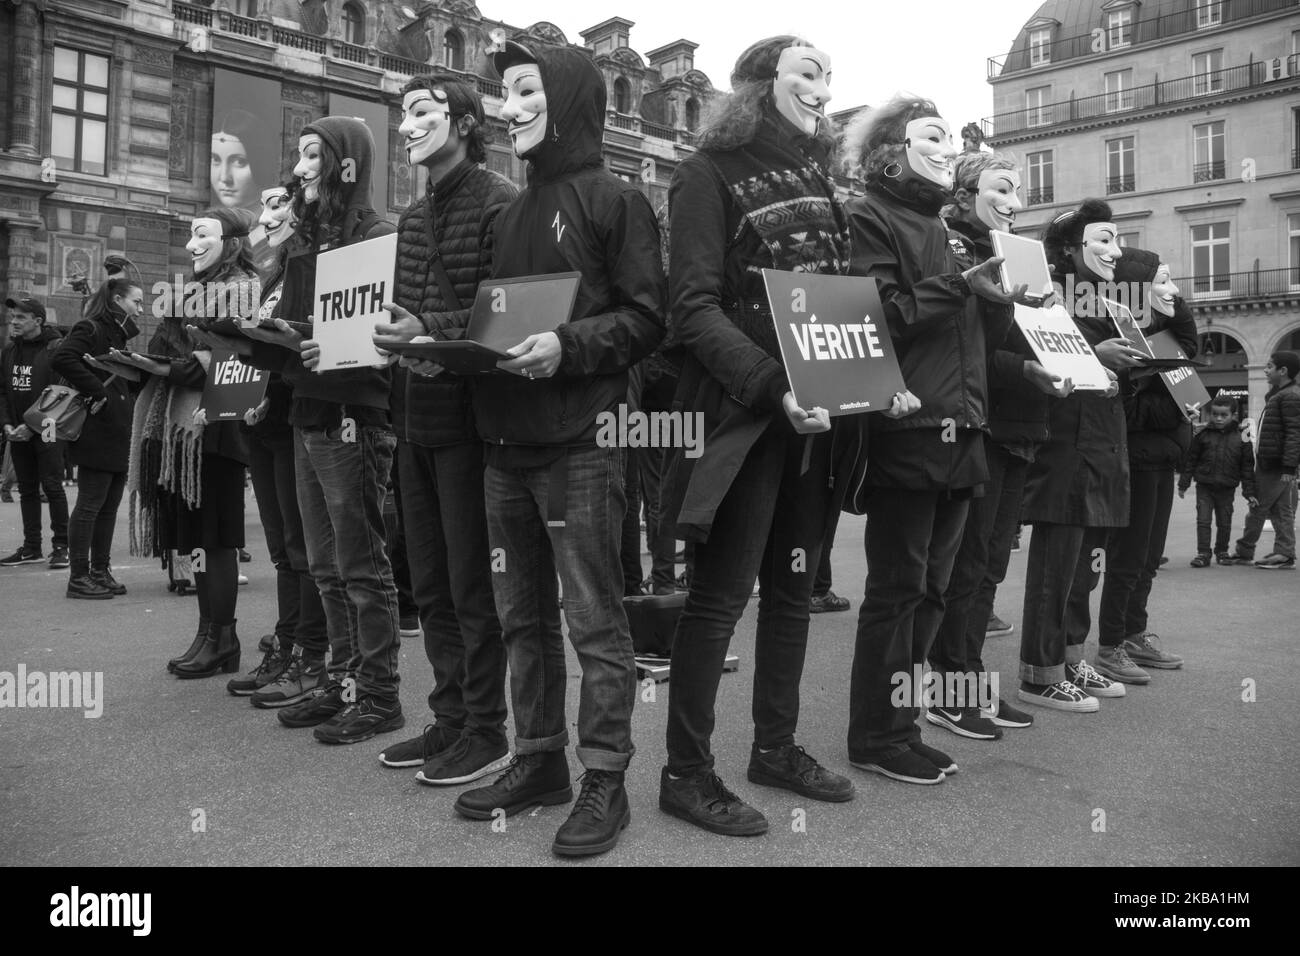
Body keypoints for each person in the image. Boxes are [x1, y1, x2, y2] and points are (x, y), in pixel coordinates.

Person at [437, 39, 664, 857]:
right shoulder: (511, 209)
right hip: (504, 442)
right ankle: (538, 761)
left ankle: (605, 776)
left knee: (594, 621)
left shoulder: (619, 200)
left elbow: (647, 320)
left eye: (526, 91)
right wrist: (426, 338)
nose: (508, 108)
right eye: (504, 95)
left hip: (582, 446)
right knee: (521, 619)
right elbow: (491, 323)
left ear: (566, 99)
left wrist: (567, 346)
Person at [658, 36, 871, 833]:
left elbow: (838, 302)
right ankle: (686, 773)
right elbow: (693, 307)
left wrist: (866, 374)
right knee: (718, 600)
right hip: (744, 414)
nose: (823, 88)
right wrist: (773, 385)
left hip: (814, 421)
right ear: (758, 86)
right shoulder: (704, 172)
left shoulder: (821, 178)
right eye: (808, 73)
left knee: (791, 592)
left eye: (828, 76)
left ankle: (774, 748)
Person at [841, 95, 1023, 784]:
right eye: (932, 135)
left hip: (965, 428)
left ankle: (903, 724)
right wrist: (958, 285)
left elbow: (976, 340)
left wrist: (1002, 304)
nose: (948, 145)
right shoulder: (870, 216)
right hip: (909, 427)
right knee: (898, 589)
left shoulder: (947, 229)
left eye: (950, 136)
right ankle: (876, 736)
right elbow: (878, 316)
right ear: (891, 150)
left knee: (937, 590)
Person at [369, 72, 518, 785]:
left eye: (421, 113)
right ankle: (450, 719)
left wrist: (426, 327)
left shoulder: (501, 202)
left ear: (462, 122)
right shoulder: (410, 217)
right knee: (427, 585)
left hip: (469, 424)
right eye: (402, 114)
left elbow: (507, 317)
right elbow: (396, 317)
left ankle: (487, 730)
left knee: (470, 586)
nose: (406, 127)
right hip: (412, 421)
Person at [244, 116, 403, 743]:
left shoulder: (377, 235)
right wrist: (263, 341)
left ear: (345, 164)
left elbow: (383, 336)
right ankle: (340, 684)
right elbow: (298, 333)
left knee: (362, 566)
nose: (300, 165)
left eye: (315, 154)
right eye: (298, 153)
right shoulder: (304, 244)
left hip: (354, 420)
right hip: (307, 412)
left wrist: (325, 347)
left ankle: (380, 695)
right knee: (326, 567)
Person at [928, 151, 1060, 740]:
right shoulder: (956, 245)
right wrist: (1031, 365)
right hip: (984, 423)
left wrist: (1061, 344)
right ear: (965, 190)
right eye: (1001, 189)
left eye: (1018, 193)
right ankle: (948, 687)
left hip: (1017, 428)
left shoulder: (1017, 256)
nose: (1014, 202)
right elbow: (977, 349)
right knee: (970, 561)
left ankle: (971, 680)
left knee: (989, 565)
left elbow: (1020, 338)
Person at [119, 208, 259, 676]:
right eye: (190, 236)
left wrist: (168, 366)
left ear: (232, 241)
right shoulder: (186, 292)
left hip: (215, 428)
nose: (192, 245)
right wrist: (132, 363)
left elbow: (226, 357)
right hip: (180, 429)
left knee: (216, 541)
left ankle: (223, 638)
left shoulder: (242, 289)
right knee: (197, 540)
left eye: (203, 235)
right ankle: (207, 633)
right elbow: (167, 348)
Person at [1017, 199, 1144, 713]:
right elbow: (1047, 358)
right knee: (1056, 565)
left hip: (1101, 444)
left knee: (1083, 567)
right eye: (1102, 240)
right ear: (1071, 249)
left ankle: (1070, 657)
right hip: (1066, 447)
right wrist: (1099, 357)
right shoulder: (1050, 296)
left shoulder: (1109, 301)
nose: (1116, 250)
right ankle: (1038, 672)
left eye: (1117, 239)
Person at [1093, 254, 1196, 684]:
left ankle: (1134, 633)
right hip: (1136, 461)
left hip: (1161, 458)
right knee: (1129, 557)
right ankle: (1111, 644)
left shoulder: (1164, 333)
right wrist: (1172, 409)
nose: (1173, 291)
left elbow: (1188, 359)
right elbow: (1128, 408)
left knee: (1150, 556)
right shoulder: (1128, 335)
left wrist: (1180, 310)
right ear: (1137, 288)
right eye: (1164, 282)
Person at [50, 277, 144, 598]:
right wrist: (94, 390)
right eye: (137, 302)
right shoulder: (90, 328)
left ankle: (99, 571)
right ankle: (78, 577)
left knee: (107, 507)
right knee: (90, 504)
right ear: (118, 300)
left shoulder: (119, 334)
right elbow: (62, 358)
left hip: (117, 429)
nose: (141, 309)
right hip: (96, 428)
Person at [0, 296, 69, 570]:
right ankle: (32, 548)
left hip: (49, 430)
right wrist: (6, 425)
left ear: (37, 321)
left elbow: (61, 394)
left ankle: (61, 546)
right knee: (27, 488)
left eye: (20, 317)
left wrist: (31, 427)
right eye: (13, 316)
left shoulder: (56, 349)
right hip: (16, 431)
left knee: (52, 486)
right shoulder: (9, 351)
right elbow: (3, 391)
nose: (13, 321)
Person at [1228, 351, 1300, 569]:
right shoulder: (1282, 394)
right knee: (1281, 510)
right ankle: (1284, 553)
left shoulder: (1290, 396)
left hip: (1276, 465)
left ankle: (1245, 550)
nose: (1266, 370)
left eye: (1269, 366)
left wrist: (1289, 465)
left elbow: (1295, 432)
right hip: (1277, 463)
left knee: (1258, 506)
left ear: (1283, 371)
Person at [1179, 395, 1256, 567]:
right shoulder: (1202, 434)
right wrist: (1183, 483)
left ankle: (1222, 551)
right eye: (1215, 414)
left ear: (1233, 415)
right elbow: (1191, 460)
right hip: (1204, 486)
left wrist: (1249, 492)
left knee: (1224, 521)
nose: (1218, 418)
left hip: (1227, 488)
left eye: (1224, 415)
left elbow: (1247, 467)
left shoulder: (1242, 437)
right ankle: (1203, 553)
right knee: (1203, 521)